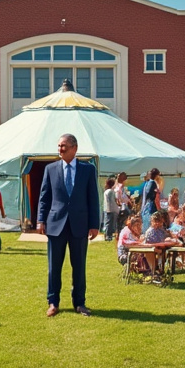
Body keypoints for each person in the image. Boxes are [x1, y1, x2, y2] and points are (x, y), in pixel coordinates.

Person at [37, 133, 100, 317]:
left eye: (64, 146)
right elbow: (44, 197)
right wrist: (41, 220)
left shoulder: (87, 170)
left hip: (79, 225)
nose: (60, 149)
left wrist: (94, 224)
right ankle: (53, 302)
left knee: (79, 266)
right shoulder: (50, 169)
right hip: (55, 225)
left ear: (74, 148)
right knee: (53, 267)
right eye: (58, 146)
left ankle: (79, 303)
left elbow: (93, 198)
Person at [143, 211, 180, 278]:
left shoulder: (161, 230)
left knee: (167, 251)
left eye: (159, 222)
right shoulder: (150, 231)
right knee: (159, 252)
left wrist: (170, 237)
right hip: (152, 248)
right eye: (155, 222)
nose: (157, 224)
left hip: (162, 247)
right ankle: (156, 270)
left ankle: (163, 269)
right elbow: (149, 242)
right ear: (152, 222)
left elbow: (165, 237)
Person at [103, 176, 120, 241]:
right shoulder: (111, 191)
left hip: (107, 209)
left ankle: (108, 235)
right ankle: (108, 236)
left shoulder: (106, 191)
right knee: (110, 224)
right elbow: (113, 201)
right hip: (111, 209)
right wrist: (117, 208)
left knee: (108, 223)